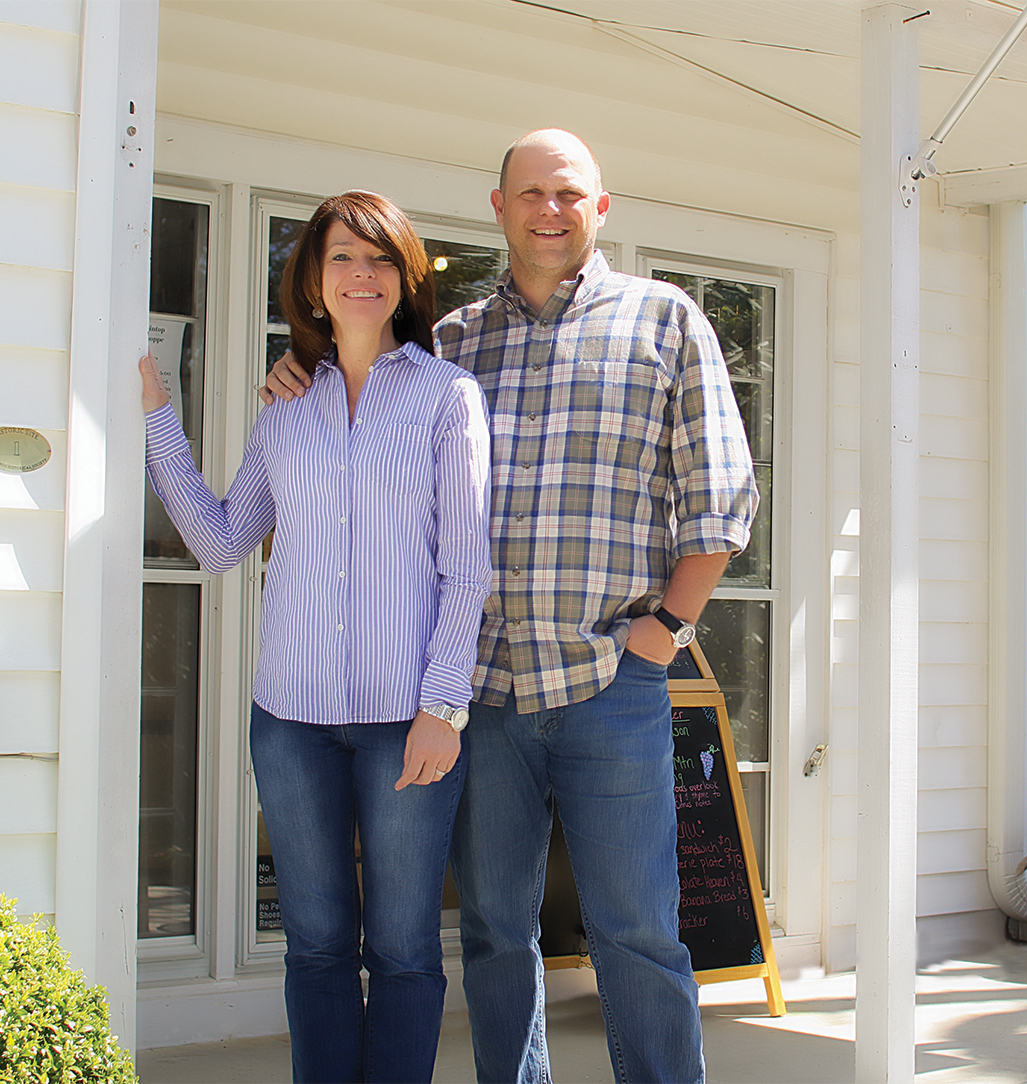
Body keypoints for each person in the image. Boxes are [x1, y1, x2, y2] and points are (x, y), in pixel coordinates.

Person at [262, 131, 759, 1084]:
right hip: (479, 692)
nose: (549, 210)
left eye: (568, 193)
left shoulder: (665, 323)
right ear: (498, 207)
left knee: (637, 931)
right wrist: (298, 372)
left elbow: (721, 503)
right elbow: (354, 385)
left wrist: (665, 634)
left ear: (600, 207)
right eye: (529, 193)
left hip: (610, 679)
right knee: (493, 930)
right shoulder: (450, 343)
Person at [146, 190, 492, 1083]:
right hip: (290, 717)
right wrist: (156, 417)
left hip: (404, 719)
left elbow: (467, 566)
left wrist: (443, 708)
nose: (360, 274)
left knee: (407, 947)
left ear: (405, 277)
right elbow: (224, 543)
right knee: (317, 946)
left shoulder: (449, 398)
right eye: (341, 256)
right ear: (313, 279)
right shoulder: (287, 405)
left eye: (378, 258)